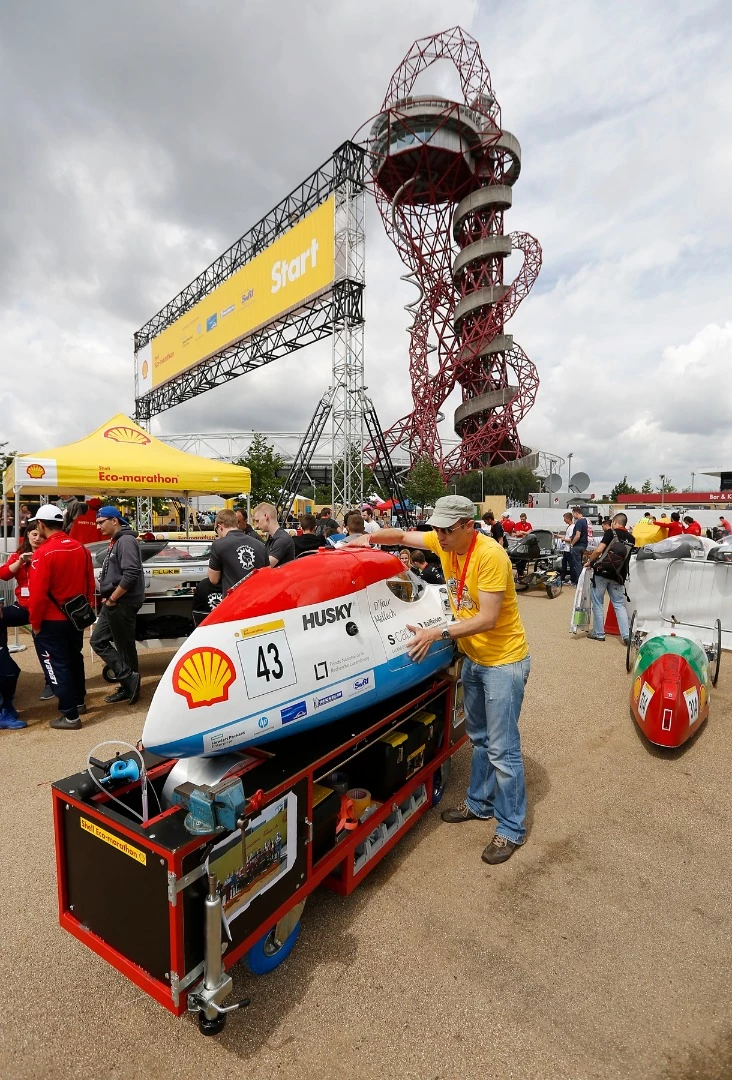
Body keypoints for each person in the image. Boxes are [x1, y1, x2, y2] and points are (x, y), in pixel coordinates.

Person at [349, 494, 530, 865]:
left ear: (468, 526)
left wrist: (438, 633)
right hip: (477, 659)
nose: (439, 537)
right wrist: (366, 539)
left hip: (503, 662)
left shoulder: (491, 556)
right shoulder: (443, 542)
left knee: (502, 748)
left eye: (447, 530)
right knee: (479, 740)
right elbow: (399, 537)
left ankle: (511, 827)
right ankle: (479, 804)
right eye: (436, 529)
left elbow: (489, 618)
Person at [28, 504, 96, 730]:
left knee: (57, 665)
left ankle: (70, 715)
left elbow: (37, 595)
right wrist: (88, 613)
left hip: (50, 620)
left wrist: (35, 624)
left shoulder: (42, 553)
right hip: (76, 618)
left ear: (41, 524)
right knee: (74, 659)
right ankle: (79, 702)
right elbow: (90, 585)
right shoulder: (81, 548)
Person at [90, 505, 146, 706]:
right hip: (116, 600)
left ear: (115, 520)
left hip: (122, 601)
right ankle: (128, 680)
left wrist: (113, 597)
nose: (98, 527)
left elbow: (131, 573)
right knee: (104, 642)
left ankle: (129, 683)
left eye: (101, 522)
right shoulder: (118, 541)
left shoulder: (126, 540)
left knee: (122, 645)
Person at [583, 512, 635, 644]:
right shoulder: (632, 538)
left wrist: (590, 561)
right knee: (619, 604)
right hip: (618, 575)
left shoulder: (611, 533)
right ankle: (626, 636)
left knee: (598, 602)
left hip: (602, 572)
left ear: (616, 523)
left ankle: (599, 633)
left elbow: (599, 550)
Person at [208, 508, 267, 594]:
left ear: (220, 526)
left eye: (216, 530)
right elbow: (267, 574)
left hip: (234, 602)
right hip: (257, 599)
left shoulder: (218, 545)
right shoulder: (260, 545)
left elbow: (213, 579)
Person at [252, 503, 295, 567]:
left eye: (258, 521)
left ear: (266, 516)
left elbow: (265, 566)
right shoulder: (274, 538)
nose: (257, 526)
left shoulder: (281, 539)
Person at [568, 507, 588, 585]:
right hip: (583, 545)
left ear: (576, 512)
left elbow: (577, 535)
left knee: (577, 564)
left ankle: (579, 582)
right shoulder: (585, 521)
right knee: (579, 563)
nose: (573, 516)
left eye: (573, 513)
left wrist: (572, 544)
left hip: (578, 545)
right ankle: (581, 582)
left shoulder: (579, 522)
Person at [558, 512, 574, 583]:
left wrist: (563, 539)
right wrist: (558, 536)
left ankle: (572, 579)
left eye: (564, 518)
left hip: (569, 549)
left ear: (567, 518)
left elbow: (570, 539)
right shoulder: (569, 527)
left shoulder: (571, 527)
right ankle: (563, 577)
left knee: (571, 565)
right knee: (564, 563)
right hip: (566, 549)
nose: (564, 520)